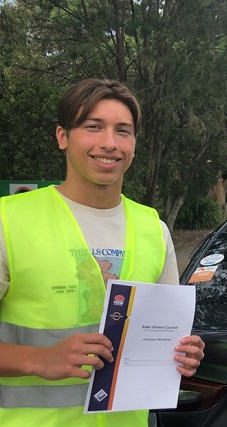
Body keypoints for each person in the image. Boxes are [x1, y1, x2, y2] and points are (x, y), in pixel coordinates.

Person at [0, 78, 205, 426]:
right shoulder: (9, 221)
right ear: (62, 136)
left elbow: (165, 336)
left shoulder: (154, 229)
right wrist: (39, 359)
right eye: (94, 127)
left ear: (134, 144)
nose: (109, 143)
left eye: (122, 131)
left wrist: (183, 353)